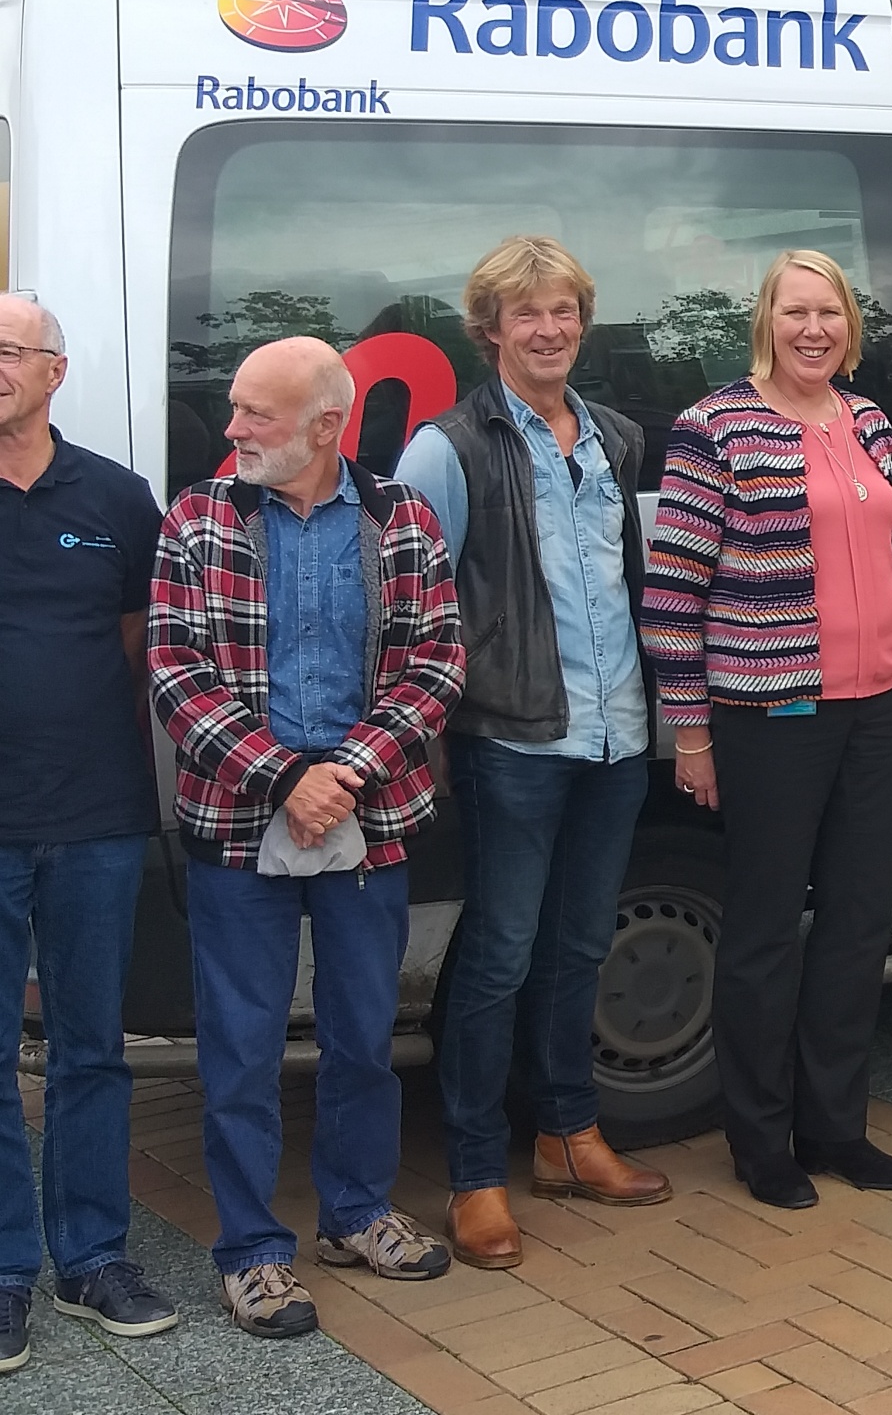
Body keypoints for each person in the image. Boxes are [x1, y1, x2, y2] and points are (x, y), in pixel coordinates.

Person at [147, 337, 465, 1339]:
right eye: (236, 408)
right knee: (239, 1051)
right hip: (241, 821)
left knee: (365, 1034)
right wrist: (287, 774)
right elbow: (174, 674)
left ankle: (357, 1213)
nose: (231, 427)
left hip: (368, 820)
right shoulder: (198, 520)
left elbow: (439, 664)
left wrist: (350, 771)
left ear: (328, 426)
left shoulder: (398, 518)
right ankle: (251, 1252)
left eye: (256, 414)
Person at [394, 237, 669, 1272]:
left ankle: (567, 1134)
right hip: (513, 737)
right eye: (527, 314)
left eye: (564, 311)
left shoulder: (614, 437)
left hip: (615, 733)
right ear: (490, 329)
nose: (549, 330)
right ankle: (474, 1175)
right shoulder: (446, 448)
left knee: (580, 948)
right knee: (499, 960)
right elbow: (415, 606)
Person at [641, 249, 892, 1210]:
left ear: (851, 327)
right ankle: (762, 1141)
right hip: (770, 717)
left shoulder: (870, 421)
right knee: (765, 933)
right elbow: (674, 593)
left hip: (877, 711)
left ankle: (838, 1128)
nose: (815, 330)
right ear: (766, 321)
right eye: (796, 312)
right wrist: (691, 735)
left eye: (831, 314)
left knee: (858, 927)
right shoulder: (715, 427)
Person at [0, 296, 176, 1373]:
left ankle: (92, 1257)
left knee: (91, 1052)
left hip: (96, 818)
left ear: (54, 372)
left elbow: (135, 643)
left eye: (8, 352)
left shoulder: (115, 496)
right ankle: (7, 1267)